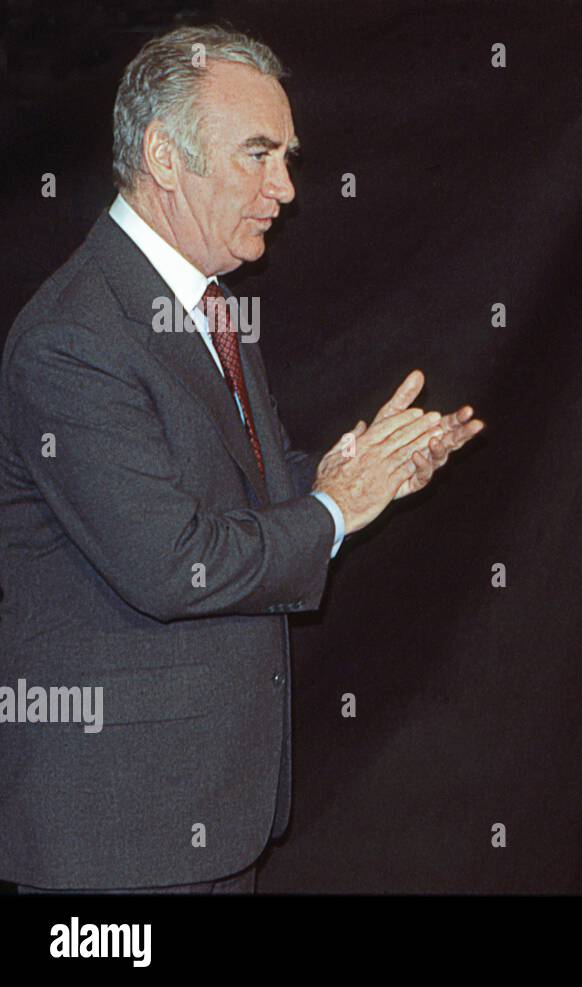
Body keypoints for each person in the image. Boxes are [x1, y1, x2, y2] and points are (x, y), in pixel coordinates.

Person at [0, 25, 483, 893]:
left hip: (209, 820)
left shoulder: (206, 305)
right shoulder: (74, 338)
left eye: (289, 158)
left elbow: (238, 496)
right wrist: (334, 508)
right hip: (119, 842)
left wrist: (358, 468)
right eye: (258, 155)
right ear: (164, 156)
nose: (285, 189)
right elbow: (172, 562)